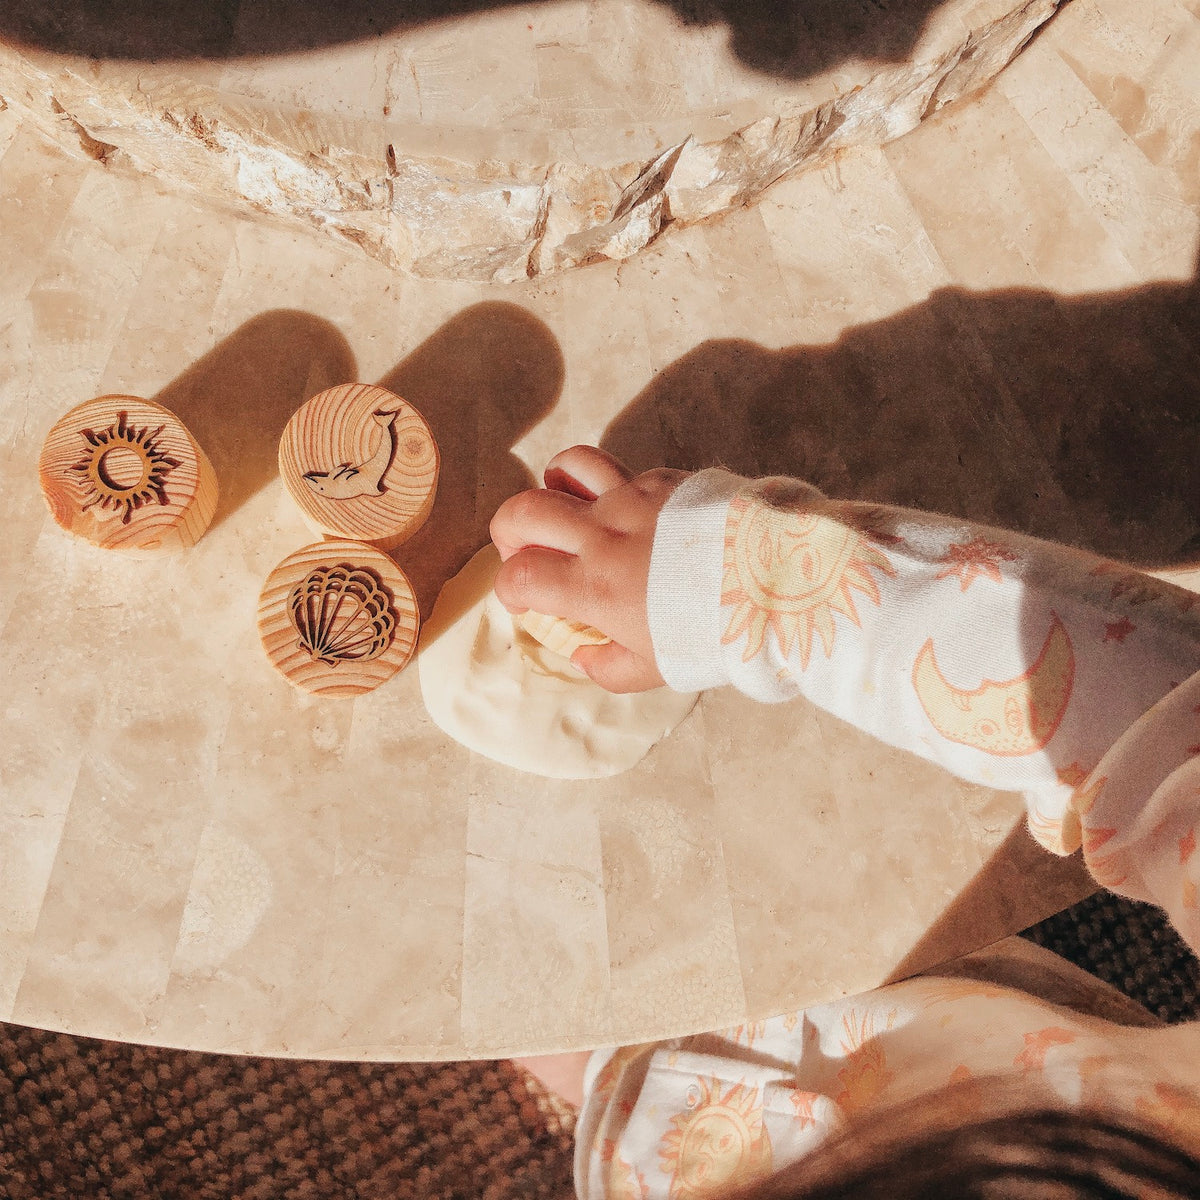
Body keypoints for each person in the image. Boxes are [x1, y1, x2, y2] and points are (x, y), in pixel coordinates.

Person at [489, 445, 1200, 1199]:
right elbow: (1159, 727)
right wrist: (749, 582)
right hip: (999, 1059)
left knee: (644, 1132)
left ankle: (618, 1089)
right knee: (912, 1017)